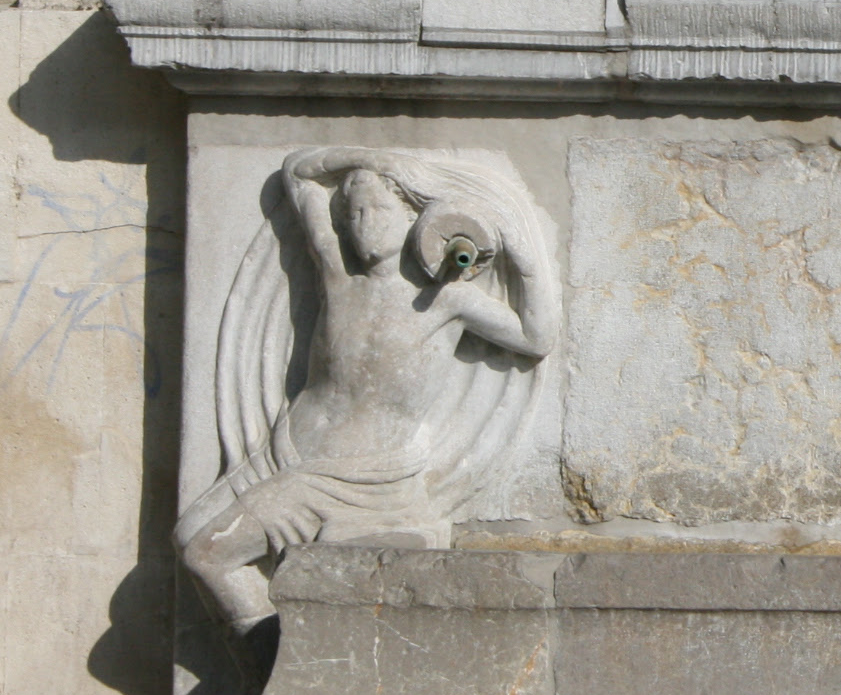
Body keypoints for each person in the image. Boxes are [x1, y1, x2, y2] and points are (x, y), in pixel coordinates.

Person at [175, 147, 557, 633]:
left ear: (414, 219)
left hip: (366, 477)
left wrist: (522, 257)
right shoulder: (338, 275)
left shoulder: (447, 300)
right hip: (291, 456)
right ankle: (272, 660)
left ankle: (276, 667)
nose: (362, 225)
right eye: (351, 213)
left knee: (205, 553)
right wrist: (367, 158)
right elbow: (298, 173)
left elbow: (536, 337)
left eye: (377, 210)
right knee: (191, 539)